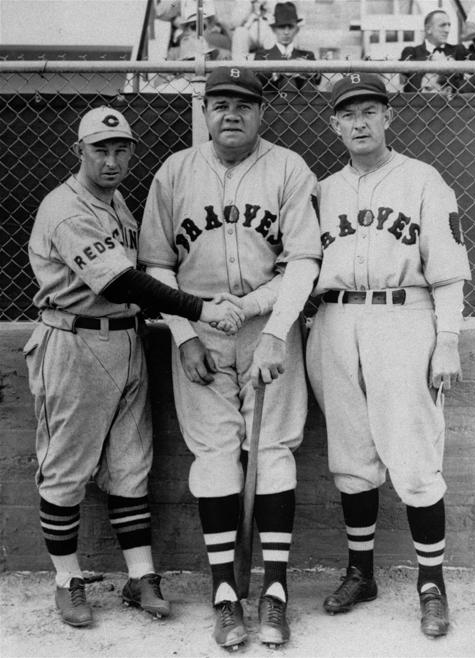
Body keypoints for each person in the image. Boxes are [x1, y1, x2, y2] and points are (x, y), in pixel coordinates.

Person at [24, 106, 244, 628]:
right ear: (78, 151)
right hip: (74, 340)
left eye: (121, 149)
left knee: (130, 465)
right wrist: (199, 307)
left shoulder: (117, 199)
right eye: (100, 149)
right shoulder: (66, 207)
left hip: (127, 342)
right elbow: (121, 282)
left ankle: (140, 576)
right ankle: (67, 580)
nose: (112, 160)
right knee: (64, 470)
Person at [138, 67, 322, 649]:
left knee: (273, 450)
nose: (230, 114)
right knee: (214, 454)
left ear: (262, 111)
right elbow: (155, 265)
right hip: (198, 331)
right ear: (205, 110)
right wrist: (184, 332)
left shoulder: (288, 167)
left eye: (243, 104)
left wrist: (274, 328)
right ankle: (224, 594)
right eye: (219, 103)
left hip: (269, 326)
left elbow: (304, 261)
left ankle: (275, 592)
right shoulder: (175, 172)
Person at [306, 74, 471, 638]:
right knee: (350, 454)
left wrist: (447, 337)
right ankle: (361, 573)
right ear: (334, 123)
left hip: (404, 316)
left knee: (414, 453)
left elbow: (448, 271)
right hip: (333, 319)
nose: (358, 123)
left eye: (369, 111)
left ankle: (432, 584)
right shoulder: (322, 191)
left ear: (387, 117)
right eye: (347, 114)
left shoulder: (423, 179)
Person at [254, 2, 321, 91]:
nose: (286, 32)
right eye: (281, 27)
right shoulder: (262, 55)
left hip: (303, 102)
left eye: (290, 27)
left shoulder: (307, 55)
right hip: (273, 102)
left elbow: (318, 80)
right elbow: (258, 79)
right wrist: (281, 71)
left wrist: (310, 72)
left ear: (296, 29)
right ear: (274, 29)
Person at [400, 10, 469, 92]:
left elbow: (473, 76)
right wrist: (436, 61)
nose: (447, 30)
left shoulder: (459, 50)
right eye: (442, 25)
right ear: (428, 29)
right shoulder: (411, 52)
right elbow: (406, 73)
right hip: (418, 102)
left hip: (451, 102)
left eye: (449, 25)